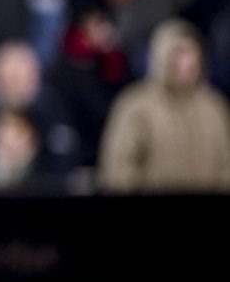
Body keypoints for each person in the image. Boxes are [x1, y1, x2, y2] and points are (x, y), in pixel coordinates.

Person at [98, 18, 230, 192]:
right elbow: (118, 169)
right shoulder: (135, 106)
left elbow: (226, 163)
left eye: (192, 53)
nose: (187, 62)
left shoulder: (214, 107)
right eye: (179, 53)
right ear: (162, 57)